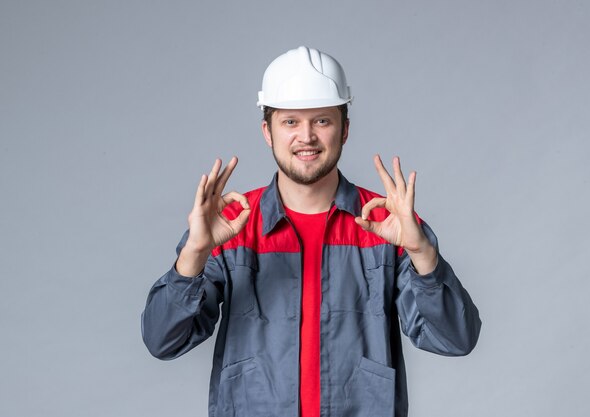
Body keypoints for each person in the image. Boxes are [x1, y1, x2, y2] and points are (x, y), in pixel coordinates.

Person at [141, 46, 481, 417]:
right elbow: (163, 341)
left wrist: (422, 254)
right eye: (290, 122)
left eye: (322, 120)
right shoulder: (233, 225)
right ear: (267, 132)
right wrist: (194, 253)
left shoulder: (386, 224)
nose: (307, 136)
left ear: (345, 129)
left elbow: (456, 339)